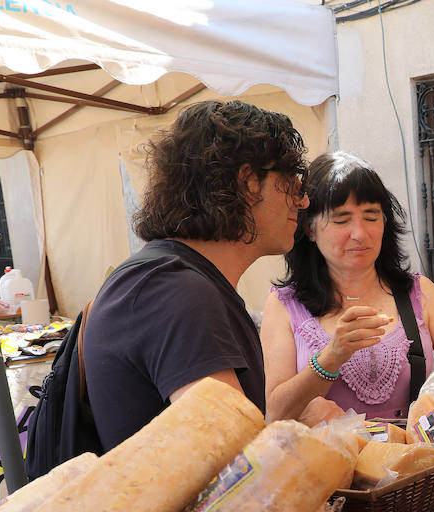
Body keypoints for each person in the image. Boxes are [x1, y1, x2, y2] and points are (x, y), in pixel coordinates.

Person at [84, 101, 309, 450]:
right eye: (293, 181)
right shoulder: (176, 293)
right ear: (249, 182)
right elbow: (237, 468)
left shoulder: (177, 280)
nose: (303, 200)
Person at [262, 152, 434, 422]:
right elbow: (276, 412)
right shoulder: (285, 306)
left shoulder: (419, 294)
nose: (360, 234)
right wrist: (330, 358)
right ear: (310, 228)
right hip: (329, 462)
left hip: (412, 461)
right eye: (341, 219)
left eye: (371, 217)